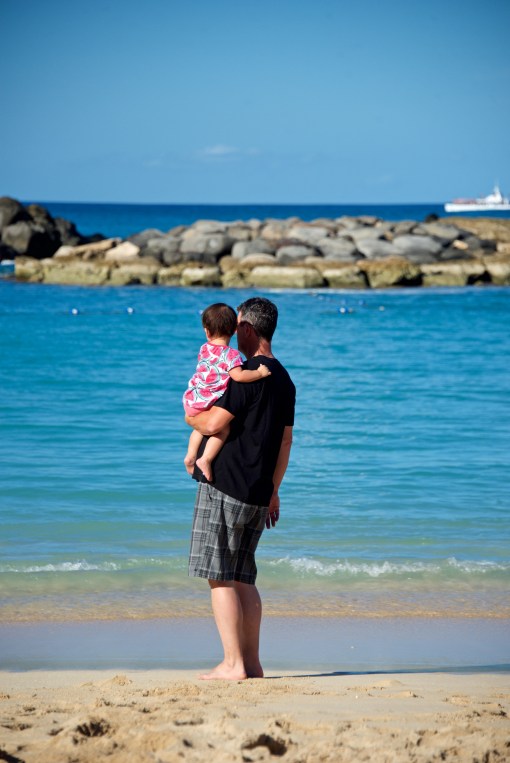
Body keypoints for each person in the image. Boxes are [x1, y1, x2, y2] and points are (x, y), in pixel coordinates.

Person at [185, 297, 295, 680]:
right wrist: (274, 491)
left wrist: (189, 417)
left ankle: (233, 664)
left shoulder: (244, 373)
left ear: (246, 328)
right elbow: (285, 442)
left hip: (225, 485)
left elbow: (213, 424)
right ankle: (252, 663)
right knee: (244, 577)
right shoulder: (284, 379)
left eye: (238, 327)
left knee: (219, 576)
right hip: (259, 493)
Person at [183, 302, 271, 482]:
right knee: (223, 430)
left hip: (193, 398)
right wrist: (259, 373)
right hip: (208, 400)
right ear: (234, 331)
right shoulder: (231, 355)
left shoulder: (204, 348)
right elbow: (239, 376)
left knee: (198, 428)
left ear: (207, 331)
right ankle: (205, 459)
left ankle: (190, 456)